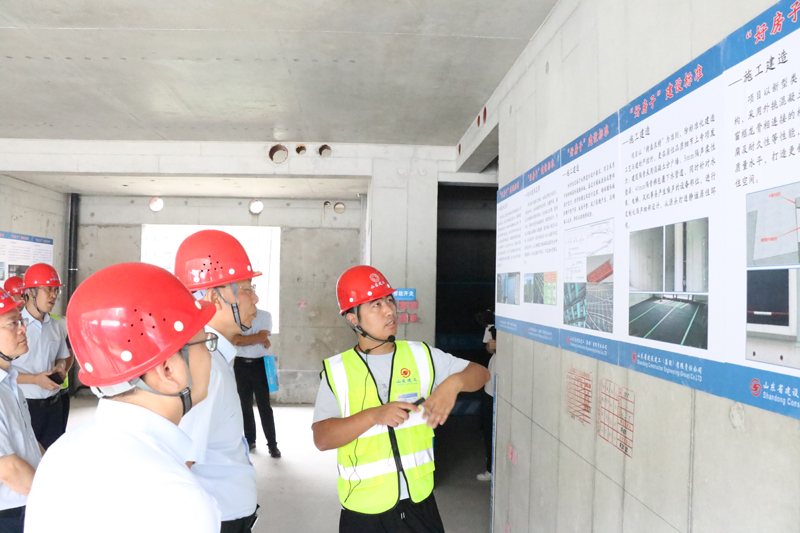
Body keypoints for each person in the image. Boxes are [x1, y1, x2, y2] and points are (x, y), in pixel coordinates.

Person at [24, 262, 221, 533]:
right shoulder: (179, 497)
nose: (210, 354)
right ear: (168, 370)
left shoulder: (59, 455)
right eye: (205, 342)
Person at [312, 265, 490, 533]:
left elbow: (481, 373)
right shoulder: (337, 371)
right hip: (365, 508)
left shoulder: (421, 355)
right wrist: (374, 415)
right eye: (376, 304)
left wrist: (453, 384)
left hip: (420, 502)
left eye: (389, 300)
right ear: (353, 318)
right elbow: (322, 438)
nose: (389, 310)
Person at [174, 229, 259, 533]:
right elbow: (181, 461)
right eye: (246, 288)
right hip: (217, 520)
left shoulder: (216, 358)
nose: (255, 298)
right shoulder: (205, 366)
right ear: (213, 298)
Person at [11, 264, 73, 449]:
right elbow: (2, 372)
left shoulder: (55, 325)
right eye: (48, 289)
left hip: (53, 406)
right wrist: (34, 379)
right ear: (31, 291)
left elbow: (62, 356)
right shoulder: (13, 326)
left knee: (52, 455)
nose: (54, 295)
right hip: (23, 406)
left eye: (56, 290)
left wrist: (60, 367)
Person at [0, 288, 42, 533]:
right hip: (9, 513)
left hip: (26, 501)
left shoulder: (9, 381)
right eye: (12, 323)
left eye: (21, 321)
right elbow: (8, 470)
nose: (23, 329)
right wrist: (56, 498)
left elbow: (27, 440)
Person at [232, 308, 280, 457]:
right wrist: (258, 338)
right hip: (240, 365)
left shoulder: (265, 315)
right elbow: (234, 339)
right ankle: (250, 441)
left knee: (264, 407)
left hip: (260, 365)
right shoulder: (236, 315)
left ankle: (272, 445)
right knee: (245, 406)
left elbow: (261, 335)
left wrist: (247, 339)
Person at [476, 311, 496, 482]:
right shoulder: (493, 323)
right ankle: (491, 469)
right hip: (491, 389)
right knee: (489, 429)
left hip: (507, 392)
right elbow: (488, 348)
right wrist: (493, 345)